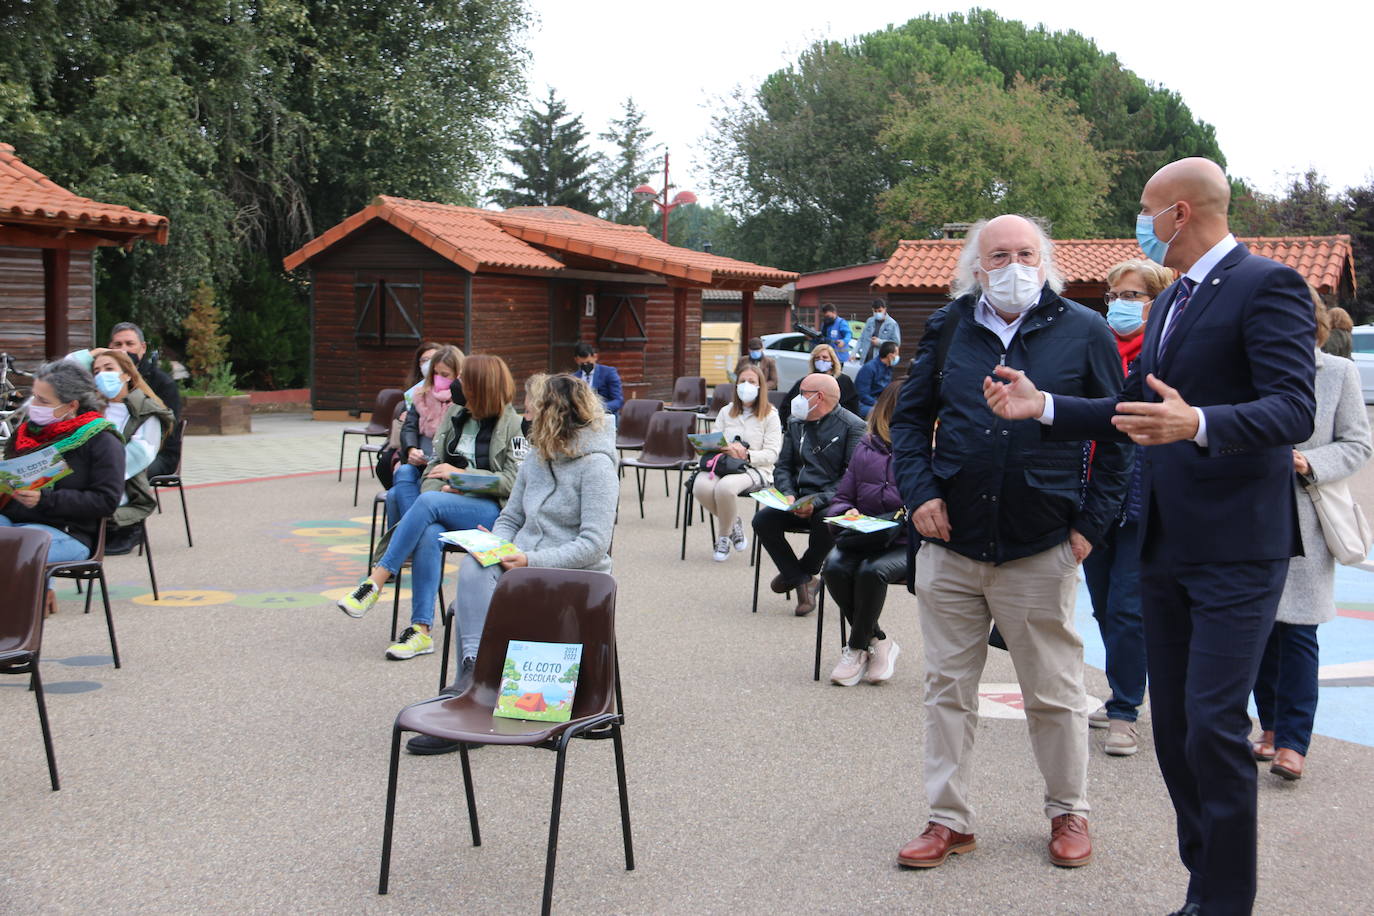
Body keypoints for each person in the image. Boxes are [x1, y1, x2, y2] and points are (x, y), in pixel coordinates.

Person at [983, 158, 1317, 915]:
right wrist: (1044, 407)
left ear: (1179, 213)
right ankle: (1204, 892)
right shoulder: (1174, 303)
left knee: (1213, 730)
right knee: (1178, 736)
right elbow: (1131, 407)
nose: (1139, 223)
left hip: (1238, 546)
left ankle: (1225, 905)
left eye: (1144, 210)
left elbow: (1293, 407)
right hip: (1166, 545)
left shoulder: (1269, 285)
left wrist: (1199, 424)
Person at [890, 214, 1129, 872]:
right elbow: (908, 423)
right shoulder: (948, 328)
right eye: (999, 255)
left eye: (1026, 253)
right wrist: (918, 495)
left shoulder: (1085, 332)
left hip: (1041, 544)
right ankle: (948, 820)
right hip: (952, 541)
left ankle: (1067, 811)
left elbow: (1116, 436)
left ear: (1046, 261)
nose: (1014, 264)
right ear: (976, 265)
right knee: (946, 690)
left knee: (1053, 692)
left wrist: (1088, 529)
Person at [406, 373, 619, 755]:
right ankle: (471, 679)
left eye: (532, 406)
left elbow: (593, 545)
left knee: (484, 583)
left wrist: (528, 559)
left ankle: (472, 692)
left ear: (553, 413)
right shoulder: (537, 457)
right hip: (520, 565)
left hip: (573, 578)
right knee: (474, 564)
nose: (525, 413)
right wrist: (495, 545)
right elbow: (511, 517)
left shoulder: (598, 466)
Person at [1251, 289, 1371, 781]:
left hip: (1305, 514)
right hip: (1251, 516)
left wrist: (1309, 462)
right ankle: (1272, 727)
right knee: (1256, 631)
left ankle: (1293, 742)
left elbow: (1357, 444)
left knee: (1298, 631)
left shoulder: (1338, 373)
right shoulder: (1249, 370)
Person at [338, 355, 525, 662]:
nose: (456, 385)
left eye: (464, 380)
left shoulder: (514, 426)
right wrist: (446, 487)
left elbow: (513, 483)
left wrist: (463, 480)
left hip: (491, 514)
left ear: (482, 386)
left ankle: (376, 580)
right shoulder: (456, 414)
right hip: (445, 504)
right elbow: (434, 467)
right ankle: (421, 630)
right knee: (429, 532)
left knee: (427, 503)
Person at [1083, 258, 1174, 757]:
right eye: (1114, 295)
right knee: (1102, 606)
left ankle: (1124, 710)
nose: (1120, 304)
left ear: (1156, 301)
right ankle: (1123, 690)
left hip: (1141, 498)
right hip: (1090, 495)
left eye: (1133, 295)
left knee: (1126, 607)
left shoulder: (1165, 354)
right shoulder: (1097, 348)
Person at [0, 361, 124, 615]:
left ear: (71, 405)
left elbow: (106, 501)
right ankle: (32, 599)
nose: (34, 406)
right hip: (15, 520)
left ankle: (19, 628)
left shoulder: (101, 440)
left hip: (70, 532)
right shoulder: (26, 434)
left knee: (17, 550)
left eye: (43, 401)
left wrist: (44, 500)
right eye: (34, 397)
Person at [753, 373, 865, 615]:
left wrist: (817, 501)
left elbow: (850, 477)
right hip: (796, 497)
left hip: (830, 499)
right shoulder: (795, 421)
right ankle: (802, 579)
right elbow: (783, 466)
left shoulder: (853, 426)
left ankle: (803, 571)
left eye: (803, 393)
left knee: (825, 521)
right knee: (762, 520)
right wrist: (789, 495)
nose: (797, 397)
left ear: (819, 397)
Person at [822, 380, 907, 685]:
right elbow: (842, 498)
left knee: (873, 572)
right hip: (865, 535)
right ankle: (879, 640)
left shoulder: (929, 450)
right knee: (833, 567)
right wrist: (845, 514)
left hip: (907, 540)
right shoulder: (865, 448)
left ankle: (856, 647)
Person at [692, 365, 782, 562]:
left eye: (751, 382)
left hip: (754, 469)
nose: (746, 386)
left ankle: (723, 537)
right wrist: (724, 447)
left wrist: (747, 454)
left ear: (760, 387)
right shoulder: (726, 411)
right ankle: (734, 523)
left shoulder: (770, 415)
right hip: (723, 464)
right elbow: (717, 439)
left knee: (725, 488)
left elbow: (773, 453)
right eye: (742, 381)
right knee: (700, 487)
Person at [88, 348, 173, 554]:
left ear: (127, 374)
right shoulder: (90, 410)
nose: (102, 375)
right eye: (97, 371)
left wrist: (96, 472)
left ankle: (126, 527)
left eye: (109, 368)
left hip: (121, 481)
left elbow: (142, 453)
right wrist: (91, 354)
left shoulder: (145, 410)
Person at [391, 345, 465, 522]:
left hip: (443, 466)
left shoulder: (462, 400)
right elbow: (409, 427)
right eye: (435, 373)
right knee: (404, 472)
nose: (438, 379)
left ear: (458, 374)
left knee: (394, 496)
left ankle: (409, 532)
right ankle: (414, 530)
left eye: (445, 375)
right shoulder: (420, 394)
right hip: (419, 461)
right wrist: (411, 450)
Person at [108, 322, 181, 480]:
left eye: (130, 344)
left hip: (155, 453)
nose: (124, 350)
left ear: (143, 348)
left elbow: (167, 431)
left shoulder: (162, 383)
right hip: (110, 451)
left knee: (107, 471)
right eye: (118, 344)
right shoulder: (101, 382)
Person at [779, 344, 859, 422]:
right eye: (817, 358)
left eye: (825, 357)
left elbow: (852, 407)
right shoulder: (806, 381)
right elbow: (788, 405)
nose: (821, 360)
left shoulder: (844, 380)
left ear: (832, 361)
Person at [573, 342, 623, 416]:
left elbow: (618, 401)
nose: (586, 366)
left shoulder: (608, 373)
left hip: (605, 415)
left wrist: (598, 408)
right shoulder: (574, 378)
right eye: (582, 364)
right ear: (577, 360)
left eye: (588, 362)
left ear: (595, 357)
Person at [854, 341, 899, 417]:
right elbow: (862, 395)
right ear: (890, 356)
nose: (898, 356)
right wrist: (880, 405)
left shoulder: (888, 367)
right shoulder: (869, 368)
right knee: (886, 415)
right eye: (897, 354)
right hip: (864, 405)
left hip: (878, 402)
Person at [856, 298, 902, 364]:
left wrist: (880, 342)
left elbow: (896, 343)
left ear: (885, 309)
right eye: (875, 311)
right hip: (866, 360)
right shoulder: (869, 321)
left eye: (880, 311)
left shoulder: (892, 324)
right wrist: (854, 353)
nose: (877, 313)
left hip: (882, 361)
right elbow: (862, 338)